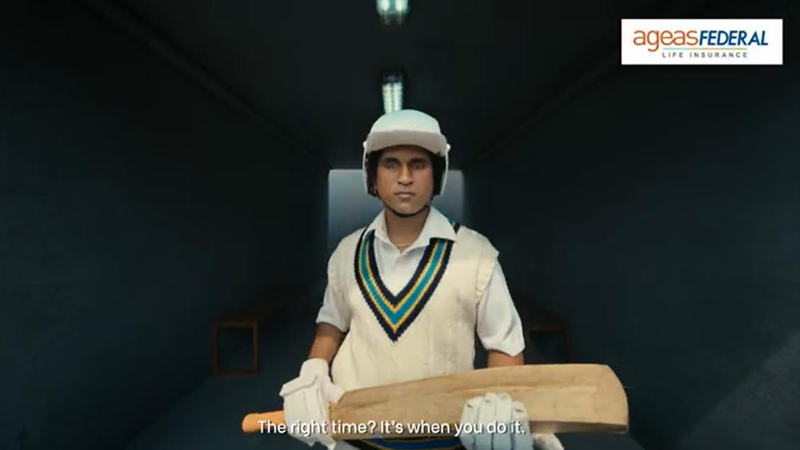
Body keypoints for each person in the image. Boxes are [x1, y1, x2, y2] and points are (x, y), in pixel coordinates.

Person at [279, 109, 564, 450]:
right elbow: (332, 321)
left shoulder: (476, 254)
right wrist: (314, 368)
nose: (404, 177)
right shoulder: (347, 251)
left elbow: (504, 344)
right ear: (372, 177)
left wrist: (501, 402)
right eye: (391, 164)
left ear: (436, 176)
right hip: (355, 434)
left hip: (443, 436)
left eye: (418, 164)